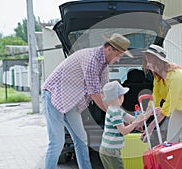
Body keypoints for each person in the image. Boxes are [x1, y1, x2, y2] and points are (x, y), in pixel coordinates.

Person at [41, 33, 133, 169]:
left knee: (81, 139)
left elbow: (106, 93)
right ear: (109, 49)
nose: (118, 60)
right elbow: (95, 94)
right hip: (54, 96)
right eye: (118, 55)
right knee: (57, 143)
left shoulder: (103, 67)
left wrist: (125, 117)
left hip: (71, 102)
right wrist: (115, 115)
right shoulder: (91, 59)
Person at [99, 80, 146, 169]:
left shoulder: (116, 109)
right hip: (111, 151)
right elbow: (123, 131)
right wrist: (136, 122)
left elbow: (131, 119)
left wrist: (146, 114)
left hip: (108, 149)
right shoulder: (115, 112)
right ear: (120, 97)